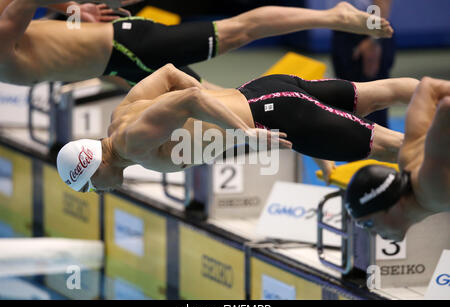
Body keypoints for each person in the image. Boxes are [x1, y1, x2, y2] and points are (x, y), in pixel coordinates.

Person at [55, 63, 419, 193]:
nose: (97, 192)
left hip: (275, 113)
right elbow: (168, 74)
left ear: (95, 167)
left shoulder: (131, 142)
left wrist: (244, 128)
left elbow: (189, 100)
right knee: (377, 95)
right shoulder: (121, 114)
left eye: (89, 187)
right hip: (263, 92)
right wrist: (233, 104)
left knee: (394, 147)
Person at [0, 0, 394, 88]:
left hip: (130, 47)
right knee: (220, 104)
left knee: (240, 30)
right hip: (118, 65)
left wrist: (76, 10)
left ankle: (334, 17)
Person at [345, 77, 450, 241]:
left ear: (389, 204)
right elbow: (427, 88)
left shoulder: (433, 187)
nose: (372, 234)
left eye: (368, 224)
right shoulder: (407, 158)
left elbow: (446, 108)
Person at [331, 0, 395, 128]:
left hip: (367, 32)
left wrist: (374, 40)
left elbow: (382, 3)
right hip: (343, 28)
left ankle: (377, 143)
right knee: (347, 94)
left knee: (370, 96)